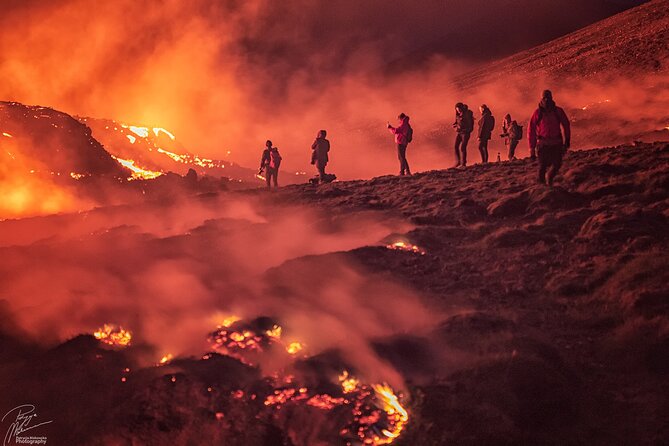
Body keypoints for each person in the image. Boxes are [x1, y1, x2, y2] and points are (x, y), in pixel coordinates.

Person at [528, 90, 571, 186]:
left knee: (556, 165)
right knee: (542, 167)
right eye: (545, 98)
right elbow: (531, 130)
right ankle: (543, 187)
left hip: (555, 143)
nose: (547, 100)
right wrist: (531, 148)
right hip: (544, 144)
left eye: (548, 97)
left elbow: (566, 124)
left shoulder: (557, 111)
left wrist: (567, 140)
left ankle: (548, 181)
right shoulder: (538, 113)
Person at [452, 103, 474, 168]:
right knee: (456, 146)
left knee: (463, 147)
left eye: (458, 109)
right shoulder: (458, 114)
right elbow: (456, 122)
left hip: (465, 133)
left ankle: (463, 163)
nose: (457, 110)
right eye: (456, 109)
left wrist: (465, 129)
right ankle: (458, 162)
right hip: (460, 133)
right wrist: (455, 125)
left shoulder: (466, 114)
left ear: (461, 108)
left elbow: (469, 124)